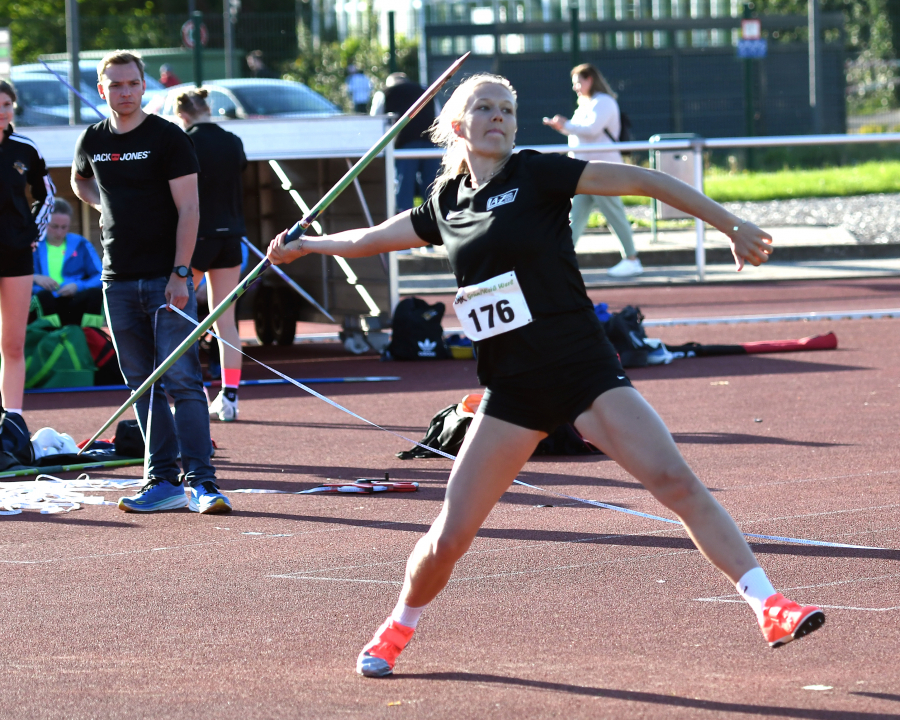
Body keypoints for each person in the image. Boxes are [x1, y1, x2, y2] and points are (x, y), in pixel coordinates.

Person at [267, 73, 824, 678]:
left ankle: (770, 604)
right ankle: (397, 626)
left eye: (507, 108)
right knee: (450, 536)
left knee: (677, 481)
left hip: (583, 367)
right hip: (512, 391)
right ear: (459, 125)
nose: (499, 117)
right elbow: (374, 239)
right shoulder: (447, 204)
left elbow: (643, 180)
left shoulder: (537, 173)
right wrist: (310, 245)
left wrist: (729, 223)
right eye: (484, 108)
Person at [71, 50, 231, 515]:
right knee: (142, 385)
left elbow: (190, 210)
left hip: (167, 280)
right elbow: (80, 181)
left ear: (144, 88)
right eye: (115, 85)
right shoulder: (93, 139)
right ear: (102, 90)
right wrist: (105, 206)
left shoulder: (168, 138)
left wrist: (181, 274)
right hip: (117, 280)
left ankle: (201, 482)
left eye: (131, 84)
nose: (124, 92)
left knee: (182, 381)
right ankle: (160, 481)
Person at [174, 87, 247, 422]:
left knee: (180, 318)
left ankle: (194, 394)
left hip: (198, 237)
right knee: (226, 320)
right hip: (231, 235)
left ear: (183, 114)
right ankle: (229, 397)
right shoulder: (232, 140)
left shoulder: (185, 141)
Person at [544, 63, 642, 278]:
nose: (576, 87)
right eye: (574, 83)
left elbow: (591, 130)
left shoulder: (604, 102)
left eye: (579, 82)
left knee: (614, 214)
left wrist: (566, 124)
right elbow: (580, 134)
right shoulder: (586, 104)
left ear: (590, 80)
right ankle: (560, 260)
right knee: (574, 218)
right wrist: (563, 126)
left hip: (602, 170)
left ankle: (632, 259)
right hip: (584, 171)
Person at [0, 79, 55, 421]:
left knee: (14, 343)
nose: (1, 111)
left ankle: (13, 421)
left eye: (6, 105)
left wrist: (34, 231)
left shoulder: (25, 148)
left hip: (17, 254)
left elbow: (46, 194)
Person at [370, 72, 440, 213]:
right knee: (432, 186)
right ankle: (435, 219)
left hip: (405, 144)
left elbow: (376, 120)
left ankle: (404, 220)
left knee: (404, 187)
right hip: (430, 143)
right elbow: (439, 115)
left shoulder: (385, 93)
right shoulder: (427, 91)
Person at [32, 198, 104, 327]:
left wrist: (78, 286)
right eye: (54, 226)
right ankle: (48, 338)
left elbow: (100, 276)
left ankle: (93, 337)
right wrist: (36, 278)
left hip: (73, 299)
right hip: (43, 300)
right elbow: (15, 278)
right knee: (43, 297)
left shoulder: (80, 243)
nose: (59, 232)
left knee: (95, 295)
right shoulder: (33, 245)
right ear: (44, 222)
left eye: (64, 227)